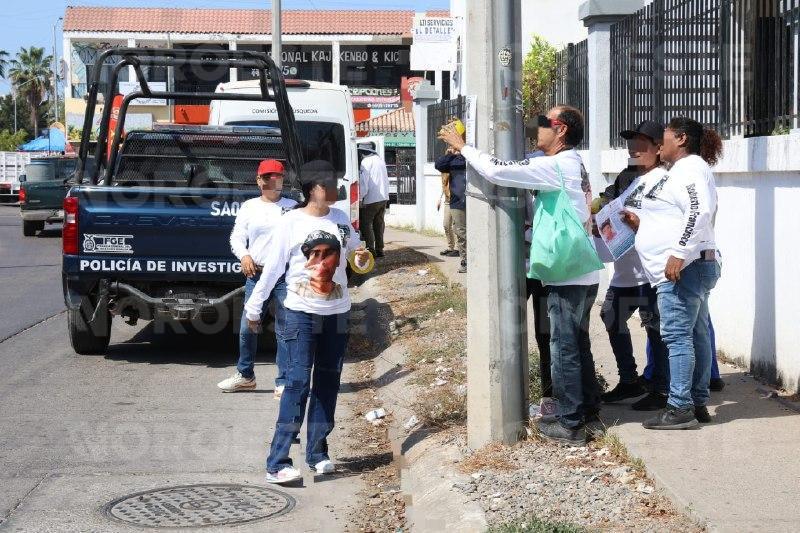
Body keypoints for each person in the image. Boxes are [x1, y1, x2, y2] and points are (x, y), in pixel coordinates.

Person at [440, 106, 603, 445]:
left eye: (542, 123)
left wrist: (463, 145)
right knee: (577, 345)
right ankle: (588, 413)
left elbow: (498, 172)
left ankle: (571, 424)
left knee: (563, 349)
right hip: (581, 271)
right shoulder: (570, 161)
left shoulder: (555, 166)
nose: (535, 127)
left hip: (569, 274)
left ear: (559, 130)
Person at [245, 160, 372, 484]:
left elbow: (357, 252)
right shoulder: (291, 223)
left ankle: (318, 453)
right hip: (299, 313)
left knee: (328, 384)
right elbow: (273, 268)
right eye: (330, 183)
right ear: (313, 188)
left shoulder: (341, 219)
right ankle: (277, 462)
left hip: (337, 315)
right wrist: (254, 307)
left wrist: (360, 256)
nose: (335, 190)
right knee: (298, 384)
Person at [621, 117, 722, 429]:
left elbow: (698, 211)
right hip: (691, 266)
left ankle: (680, 407)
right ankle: (697, 402)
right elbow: (677, 214)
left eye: (663, 137)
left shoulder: (690, 167)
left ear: (680, 139)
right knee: (697, 334)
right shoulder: (678, 171)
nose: (659, 143)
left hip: (683, 269)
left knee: (678, 337)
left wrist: (678, 254)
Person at [597, 121, 671, 412]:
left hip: (651, 271)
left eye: (642, 143)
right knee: (611, 317)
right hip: (625, 270)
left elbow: (670, 222)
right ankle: (629, 380)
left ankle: (662, 390)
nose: (634, 148)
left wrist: (640, 224)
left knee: (656, 329)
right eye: (631, 143)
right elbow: (610, 203)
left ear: (658, 148)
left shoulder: (665, 180)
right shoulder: (628, 177)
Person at [218, 159, 297, 395]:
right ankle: (245, 376)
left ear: (283, 180)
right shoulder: (249, 207)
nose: (272, 181)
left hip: (285, 277)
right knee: (247, 327)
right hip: (257, 276)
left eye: (277, 177)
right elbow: (236, 238)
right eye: (266, 177)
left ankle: (284, 381)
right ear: (258, 180)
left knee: (285, 329)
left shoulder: (293, 207)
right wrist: (244, 256)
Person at [434, 119, 468, 273]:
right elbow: (440, 165)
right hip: (456, 201)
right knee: (460, 232)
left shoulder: (468, 154)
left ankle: (473, 259)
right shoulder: (452, 157)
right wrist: (450, 153)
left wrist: (461, 150)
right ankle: (465, 260)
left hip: (471, 199)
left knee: (469, 232)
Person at [358, 144, 389, 258]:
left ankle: (371, 249)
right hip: (383, 197)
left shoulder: (366, 162)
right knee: (379, 224)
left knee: (366, 224)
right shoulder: (380, 160)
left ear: (363, 152)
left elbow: (364, 183)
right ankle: (380, 249)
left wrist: (360, 198)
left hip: (372, 198)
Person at [436, 151, 459, 257]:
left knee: (456, 226)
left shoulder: (456, 168)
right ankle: (450, 247)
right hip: (447, 200)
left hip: (456, 199)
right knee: (446, 225)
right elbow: (444, 185)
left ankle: (459, 249)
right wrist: (440, 198)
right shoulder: (444, 171)